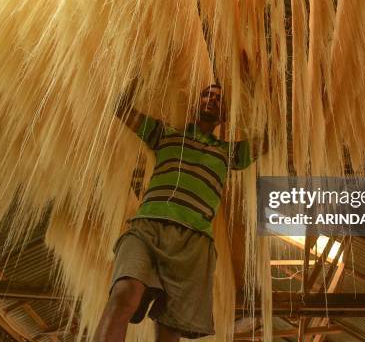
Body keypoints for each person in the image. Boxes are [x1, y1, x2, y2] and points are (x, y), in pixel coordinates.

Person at [94, 83, 266, 341]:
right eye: (206, 94)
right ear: (196, 105)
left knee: (170, 328)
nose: (211, 99)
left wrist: (262, 93)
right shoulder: (165, 134)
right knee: (123, 294)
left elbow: (272, 139)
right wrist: (139, 68)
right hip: (147, 227)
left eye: (218, 98)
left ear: (225, 115)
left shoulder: (230, 153)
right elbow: (122, 109)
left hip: (194, 242)